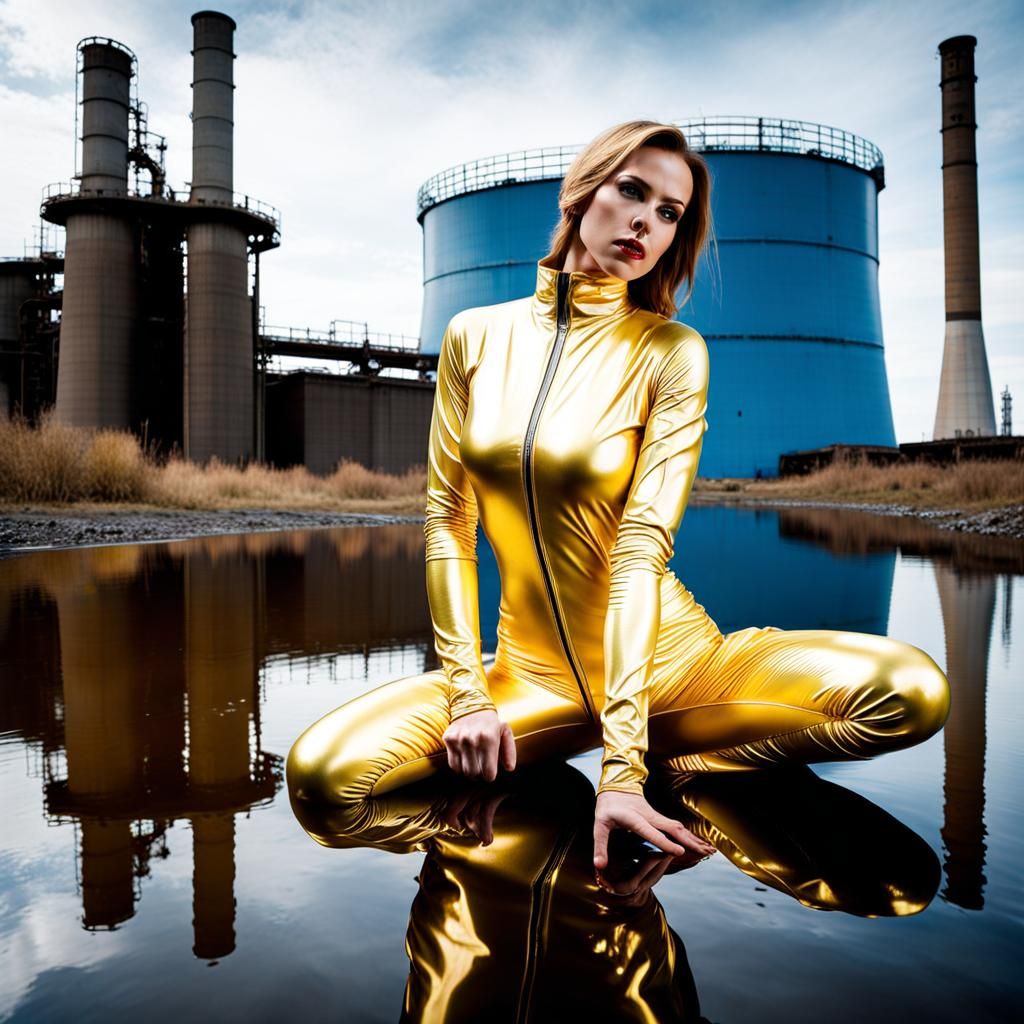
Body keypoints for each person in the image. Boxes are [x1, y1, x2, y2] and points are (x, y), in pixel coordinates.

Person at [287, 119, 951, 873]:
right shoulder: (474, 337)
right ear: (582, 192)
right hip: (526, 678)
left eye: (670, 214)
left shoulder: (670, 353)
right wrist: (469, 695)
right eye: (632, 192)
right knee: (326, 783)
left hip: (676, 665)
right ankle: (667, 764)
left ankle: (684, 758)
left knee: (908, 692)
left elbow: (640, 549)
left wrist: (624, 769)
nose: (646, 222)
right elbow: (448, 523)